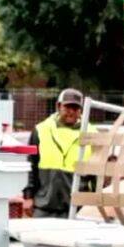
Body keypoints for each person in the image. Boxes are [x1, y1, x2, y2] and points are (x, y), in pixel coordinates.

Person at [26, 88, 85, 218]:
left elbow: (97, 173)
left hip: (77, 209)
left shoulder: (90, 134)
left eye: (75, 108)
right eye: (67, 107)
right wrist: (28, 197)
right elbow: (30, 165)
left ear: (81, 111)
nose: (71, 112)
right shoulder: (40, 130)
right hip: (43, 205)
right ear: (58, 106)